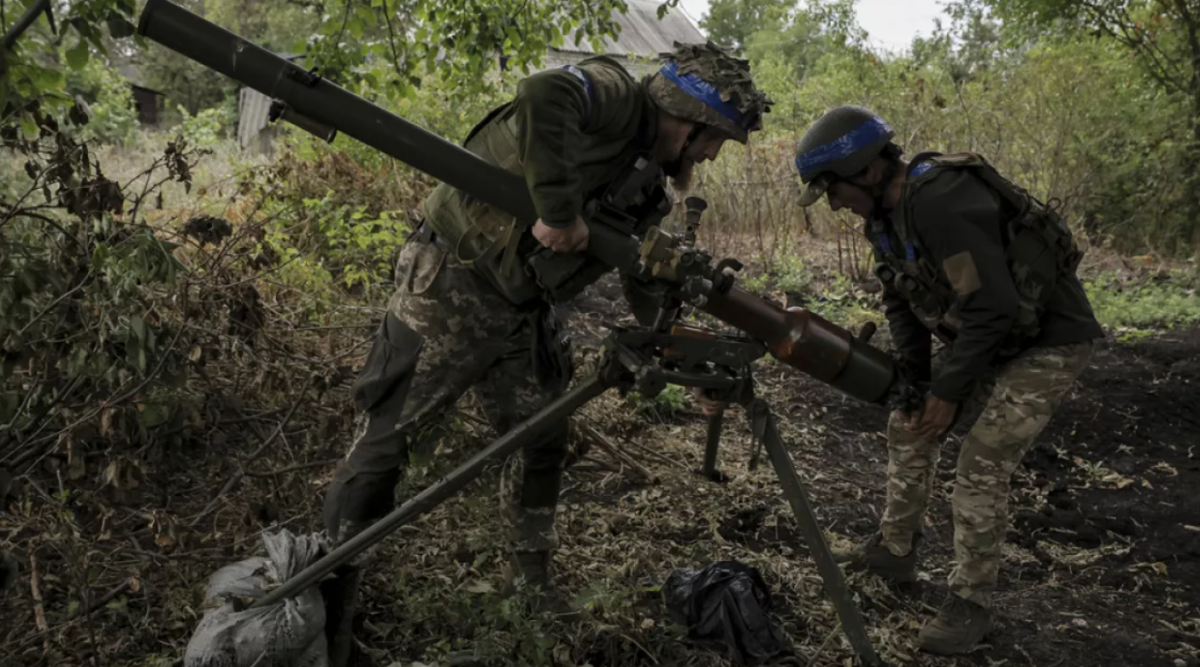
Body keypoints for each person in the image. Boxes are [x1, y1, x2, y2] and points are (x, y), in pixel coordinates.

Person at [321, 40, 771, 634]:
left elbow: (641, 277)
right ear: (690, 119)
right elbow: (543, 91)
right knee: (388, 441)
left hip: (524, 307)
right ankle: (326, 593)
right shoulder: (614, 96)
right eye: (715, 139)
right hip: (454, 282)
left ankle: (529, 586)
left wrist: (682, 346)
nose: (712, 155)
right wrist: (559, 213)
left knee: (541, 438)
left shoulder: (648, 185)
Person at [792, 106, 1104, 655]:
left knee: (980, 465)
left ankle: (971, 603)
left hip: (1047, 342)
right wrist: (916, 383)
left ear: (866, 171)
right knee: (908, 422)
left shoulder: (940, 201)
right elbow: (901, 303)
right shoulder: (883, 220)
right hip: (993, 338)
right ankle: (895, 549)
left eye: (833, 188)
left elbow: (993, 307)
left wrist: (948, 391)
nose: (834, 202)